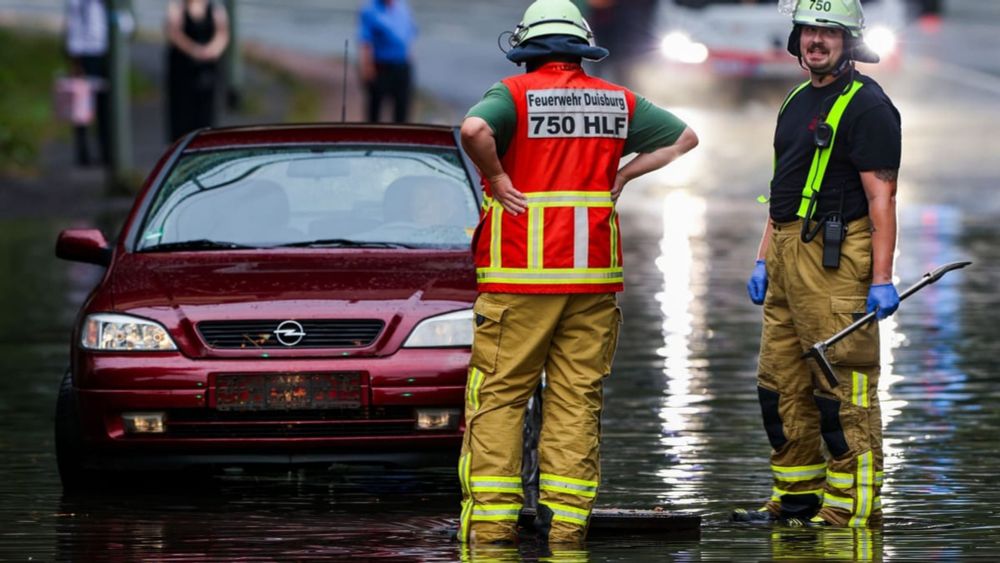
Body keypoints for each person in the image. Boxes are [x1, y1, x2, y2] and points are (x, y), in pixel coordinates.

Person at [457, 0, 698, 546]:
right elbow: (684, 138)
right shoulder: (615, 100)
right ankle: (567, 527)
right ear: (581, 46)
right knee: (576, 398)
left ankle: (492, 529)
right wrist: (625, 174)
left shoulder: (512, 95)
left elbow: (473, 130)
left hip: (520, 277)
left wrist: (496, 177)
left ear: (528, 47)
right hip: (591, 278)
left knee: (499, 396)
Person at [735, 0, 901, 528]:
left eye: (830, 32)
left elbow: (883, 200)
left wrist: (881, 279)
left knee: (841, 392)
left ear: (849, 42)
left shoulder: (869, 107)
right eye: (809, 30)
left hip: (836, 262)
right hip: (786, 254)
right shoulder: (795, 99)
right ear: (796, 38)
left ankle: (852, 511)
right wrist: (763, 258)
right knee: (779, 386)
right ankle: (797, 500)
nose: (817, 40)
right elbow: (781, 190)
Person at [165, 0, 229, 141]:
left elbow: (222, 33)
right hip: (183, 69)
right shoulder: (177, 8)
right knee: (182, 110)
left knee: (206, 110)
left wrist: (212, 50)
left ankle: (205, 140)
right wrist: (194, 50)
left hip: (207, 68)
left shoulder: (215, 8)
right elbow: (174, 33)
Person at [64, 0, 111, 167]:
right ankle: (83, 153)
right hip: (86, 53)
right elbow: (74, 24)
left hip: (106, 52)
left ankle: (107, 152)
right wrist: (75, 59)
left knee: (106, 107)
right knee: (83, 105)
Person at [357, 0, 417, 123]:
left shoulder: (403, 7)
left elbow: (409, 34)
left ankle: (400, 138)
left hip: (401, 66)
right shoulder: (370, 10)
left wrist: (409, 58)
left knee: (402, 109)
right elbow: (365, 41)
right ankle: (372, 137)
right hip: (380, 67)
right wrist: (366, 67)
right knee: (375, 109)